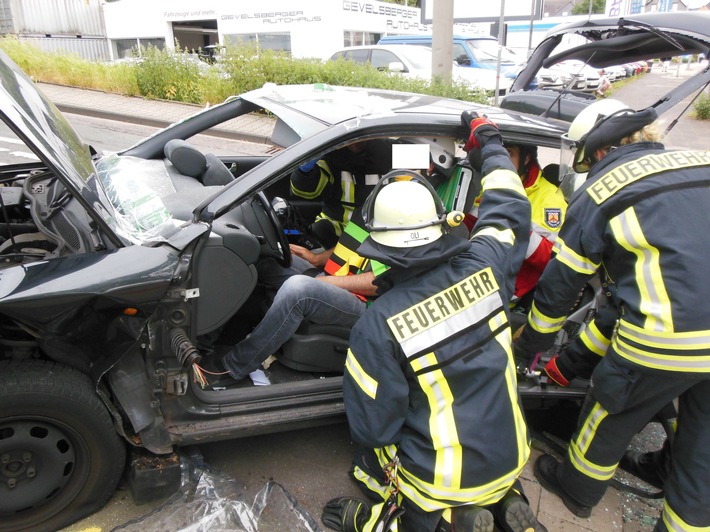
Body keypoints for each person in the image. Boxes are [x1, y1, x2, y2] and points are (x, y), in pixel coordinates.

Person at [322, 113, 547, 532]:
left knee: (371, 459)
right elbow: (510, 208)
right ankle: (502, 499)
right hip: (513, 451)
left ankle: (411, 519)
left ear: (381, 248)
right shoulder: (486, 262)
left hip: (443, 478)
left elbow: (375, 427)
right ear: (441, 223)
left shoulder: (378, 327)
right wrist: (490, 145)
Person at [514, 98, 710, 529]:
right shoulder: (699, 162)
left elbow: (560, 290)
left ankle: (576, 489)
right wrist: (569, 362)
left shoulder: (602, 190)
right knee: (704, 446)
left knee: (609, 410)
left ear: (599, 149)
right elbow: (623, 298)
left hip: (666, 339)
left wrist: (528, 345)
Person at [469, 142, 567, 306]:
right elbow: (473, 221)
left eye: (508, 152)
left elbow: (555, 260)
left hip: (511, 289)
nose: (502, 159)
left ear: (526, 158)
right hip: (482, 269)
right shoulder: (496, 184)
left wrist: (518, 229)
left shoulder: (550, 199)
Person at [291, 139, 396, 256]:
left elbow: (418, 159)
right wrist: (304, 173)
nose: (356, 142)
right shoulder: (330, 156)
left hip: (378, 231)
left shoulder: (391, 151)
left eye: (361, 136)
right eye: (351, 139)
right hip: (336, 226)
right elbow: (306, 193)